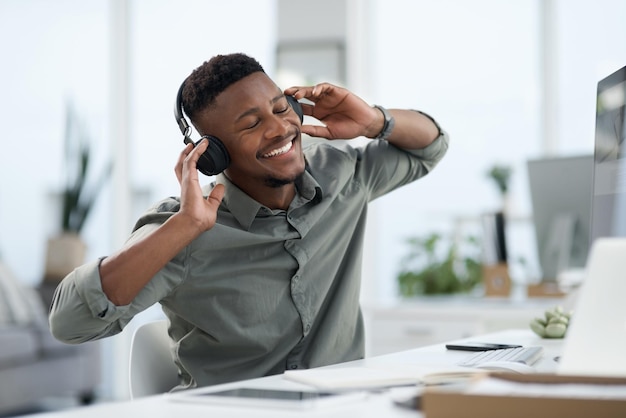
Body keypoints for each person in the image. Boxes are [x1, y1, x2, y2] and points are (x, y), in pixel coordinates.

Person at [49, 53, 449, 390]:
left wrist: (375, 121)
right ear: (211, 154)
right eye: (252, 124)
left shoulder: (339, 174)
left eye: (280, 108)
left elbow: (430, 146)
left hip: (342, 406)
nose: (279, 129)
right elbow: (70, 324)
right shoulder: (183, 227)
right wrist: (183, 229)